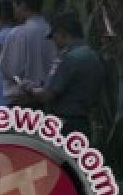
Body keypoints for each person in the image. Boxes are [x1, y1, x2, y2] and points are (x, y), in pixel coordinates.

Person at [24, 12, 104, 140]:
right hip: (84, 124)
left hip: (65, 124)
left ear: (62, 33)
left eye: (54, 37)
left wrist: (30, 89)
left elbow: (48, 95)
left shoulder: (67, 58)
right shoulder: (93, 56)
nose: (54, 43)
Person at [0, 0, 57, 105]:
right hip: (49, 100)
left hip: (22, 101)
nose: (14, 11)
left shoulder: (19, 33)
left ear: (23, 5)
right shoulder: (53, 31)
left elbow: (7, 69)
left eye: (15, 6)